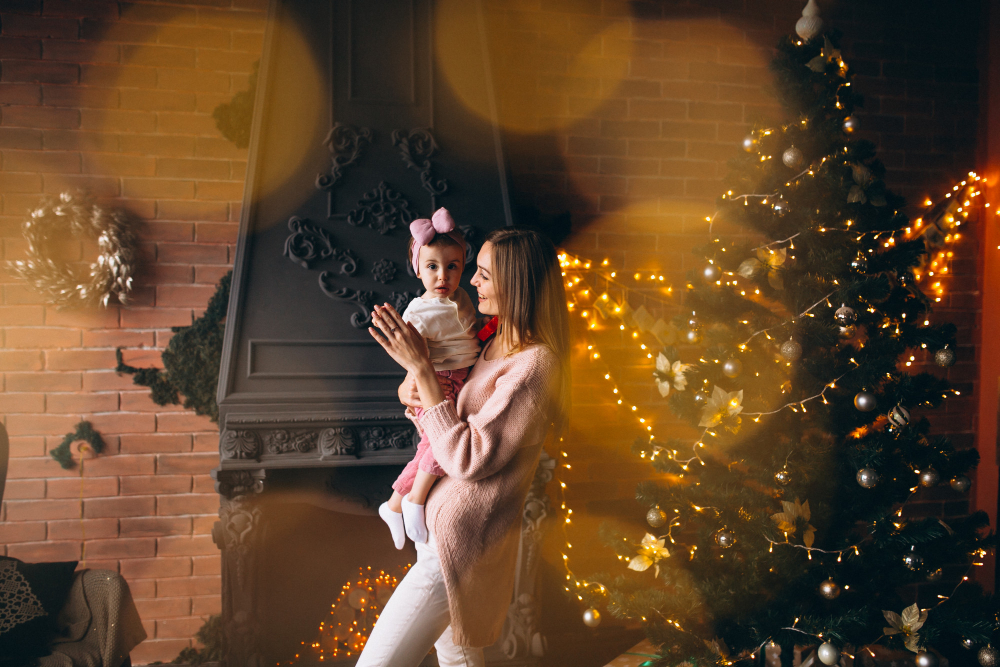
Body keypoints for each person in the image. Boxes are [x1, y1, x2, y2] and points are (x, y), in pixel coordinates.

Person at [359, 227, 570, 667]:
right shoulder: (490, 344)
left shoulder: (534, 365)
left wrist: (422, 370)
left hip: (455, 552)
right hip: (437, 536)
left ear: (516, 284)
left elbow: (468, 458)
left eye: (485, 275)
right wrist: (411, 389)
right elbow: (443, 426)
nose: (471, 280)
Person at [379, 208, 482, 549]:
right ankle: (416, 499)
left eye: (452, 266)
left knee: (428, 447)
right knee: (441, 442)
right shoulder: (418, 312)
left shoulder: (463, 298)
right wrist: (411, 385)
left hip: (460, 379)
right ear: (418, 269)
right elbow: (412, 356)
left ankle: (394, 504)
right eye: (432, 267)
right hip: (435, 382)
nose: (443, 276)